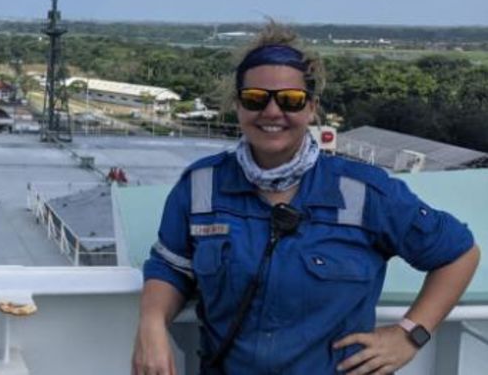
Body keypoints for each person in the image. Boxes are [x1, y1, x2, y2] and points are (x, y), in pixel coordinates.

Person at [132, 23, 480, 375]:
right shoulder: (200, 186)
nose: (271, 112)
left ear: (311, 107)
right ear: (237, 105)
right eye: (255, 98)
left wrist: (410, 334)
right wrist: (151, 323)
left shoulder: (364, 191)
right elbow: (171, 267)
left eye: (290, 100)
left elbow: (459, 253)